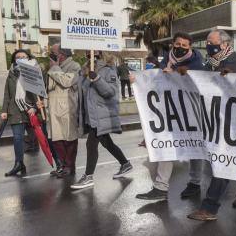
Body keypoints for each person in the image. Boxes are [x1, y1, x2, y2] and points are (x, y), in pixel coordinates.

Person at [187, 30, 236, 220]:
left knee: (223, 163)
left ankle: (209, 207)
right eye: (208, 42)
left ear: (225, 44)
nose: (209, 45)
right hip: (215, 121)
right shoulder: (209, 65)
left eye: (212, 42)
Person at [136, 33, 208, 201]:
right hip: (172, 111)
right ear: (172, 44)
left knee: (195, 146)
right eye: (178, 44)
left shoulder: (197, 61)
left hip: (193, 112)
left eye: (185, 45)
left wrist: (176, 72)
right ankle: (161, 187)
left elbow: (198, 79)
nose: (181, 47)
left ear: (190, 47)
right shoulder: (168, 58)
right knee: (167, 144)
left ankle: (195, 183)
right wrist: (138, 79)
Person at [71, 52, 132, 189]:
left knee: (91, 144)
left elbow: (110, 92)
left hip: (101, 114)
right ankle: (125, 163)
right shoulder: (84, 70)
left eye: (94, 52)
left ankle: (88, 176)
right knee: (107, 142)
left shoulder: (109, 70)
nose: (90, 54)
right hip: (90, 115)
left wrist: (97, 78)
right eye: (88, 52)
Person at [1, 49, 39, 177]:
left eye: (23, 56)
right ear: (14, 60)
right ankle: (19, 163)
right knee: (18, 138)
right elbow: (7, 94)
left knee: (41, 137)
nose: (21, 59)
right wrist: (4, 110)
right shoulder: (11, 74)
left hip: (30, 110)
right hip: (15, 110)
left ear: (28, 58)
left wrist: (36, 107)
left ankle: (58, 162)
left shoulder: (33, 71)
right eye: (18, 57)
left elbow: (39, 93)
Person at [46, 45, 82, 178]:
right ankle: (62, 165)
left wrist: (54, 67)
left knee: (69, 138)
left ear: (62, 54)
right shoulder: (53, 65)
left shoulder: (74, 65)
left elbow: (67, 81)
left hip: (67, 107)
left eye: (54, 53)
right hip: (53, 107)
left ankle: (69, 166)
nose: (52, 55)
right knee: (56, 138)